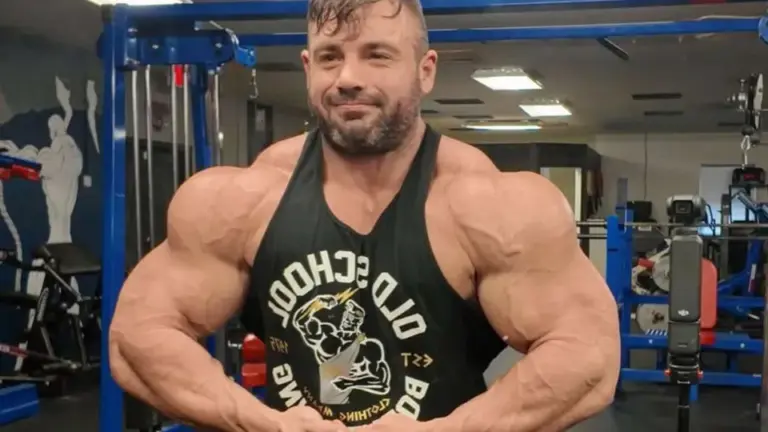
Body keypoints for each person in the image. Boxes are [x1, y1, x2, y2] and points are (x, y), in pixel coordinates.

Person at [109, 0, 620, 431]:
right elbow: (137, 336)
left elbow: (588, 356)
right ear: (308, 68)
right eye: (330, 57)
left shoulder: (490, 204)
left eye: (377, 55)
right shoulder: (242, 199)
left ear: (425, 70)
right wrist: (262, 422)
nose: (348, 78)